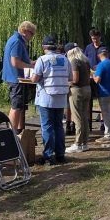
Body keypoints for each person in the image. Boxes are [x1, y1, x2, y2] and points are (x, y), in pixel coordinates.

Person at [30, 35, 69, 165]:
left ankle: (48, 156)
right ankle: (60, 155)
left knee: (47, 127)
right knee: (59, 126)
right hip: (61, 97)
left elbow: (35, 79)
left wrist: (33, 76)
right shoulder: (64, 59)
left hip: (46, 98)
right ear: (55, 46)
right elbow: (70, 76)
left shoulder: (42, 59)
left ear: (44, 47)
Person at [1, 21, 35, 133]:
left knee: (19, 106)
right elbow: (15, 62)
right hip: (17, 79)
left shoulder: (16, 40)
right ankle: (12, 133)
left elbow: (21, 60)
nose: (32, 37)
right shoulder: (17, 42)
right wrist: (31, 66)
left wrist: (32, 62)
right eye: (31, 33)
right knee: (16, 107)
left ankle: (19, 131)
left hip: (17, 78)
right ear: (24, 31)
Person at [65, 45, 91, 153]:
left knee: (77, 117)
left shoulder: (74, 61)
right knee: (84, 116)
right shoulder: (85, 61)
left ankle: (78, 143)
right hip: (87, 89)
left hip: (77, 90)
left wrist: (66, 82)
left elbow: (75, 79)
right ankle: (84, 143)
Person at [93, 47, 110, 141]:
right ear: (107, 54)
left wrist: (92, 75)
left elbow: (97, 80)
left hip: (104, 93)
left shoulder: (101, 65)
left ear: (99, 55)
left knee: (106, 114)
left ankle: (108, 134)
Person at [84, 29, 103, 126]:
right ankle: (88, 121)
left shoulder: (104, 47)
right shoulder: (88, 47)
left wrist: (99, 66)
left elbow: (107, 60)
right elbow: (85, 59)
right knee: (88, 99)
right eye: (93, 38)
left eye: (96, 38)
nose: (94, 40)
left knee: (101, 99)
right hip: (90, 77)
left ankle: (103, 121)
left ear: (99, 37)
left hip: (101, 76)